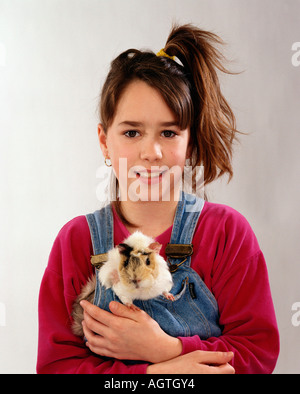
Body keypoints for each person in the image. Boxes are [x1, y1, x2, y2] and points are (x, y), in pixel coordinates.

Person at [36, 24, 279, 374]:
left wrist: (164, 347)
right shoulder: (76, 242)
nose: (151, 152)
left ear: (190, 141)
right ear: (105, 141)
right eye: (131, 132)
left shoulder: (227, 233)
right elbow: (57, 367)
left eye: (169, 132)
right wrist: (159, 373)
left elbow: (256, 355)